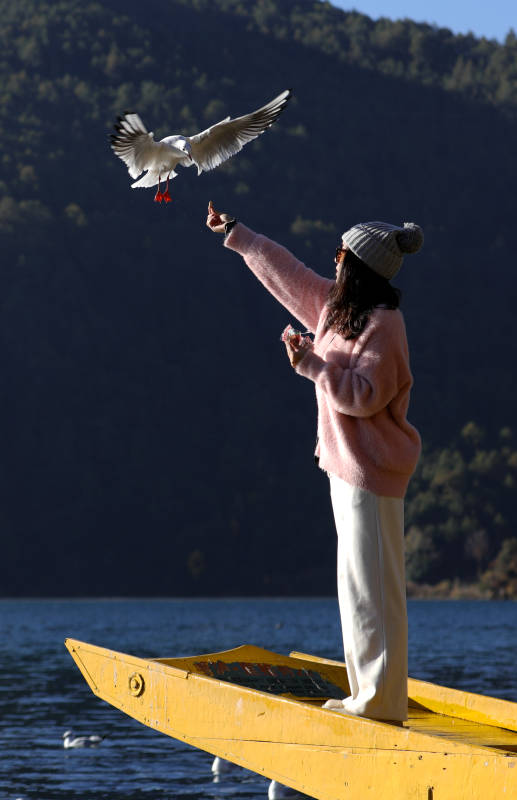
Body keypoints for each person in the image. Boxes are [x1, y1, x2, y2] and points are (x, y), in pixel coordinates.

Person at [206, 201, 423, 724]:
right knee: (357, 589)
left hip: (372, 472)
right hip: (348, 470)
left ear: (358, 265)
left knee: (373, 590)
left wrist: (311, 365)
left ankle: (379, 704)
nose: (333, 260)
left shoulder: (384, 324)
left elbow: (364, 396)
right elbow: (286, 274)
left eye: (341, 254)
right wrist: (238, 234)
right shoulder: (337, 308)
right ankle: (367, 696)